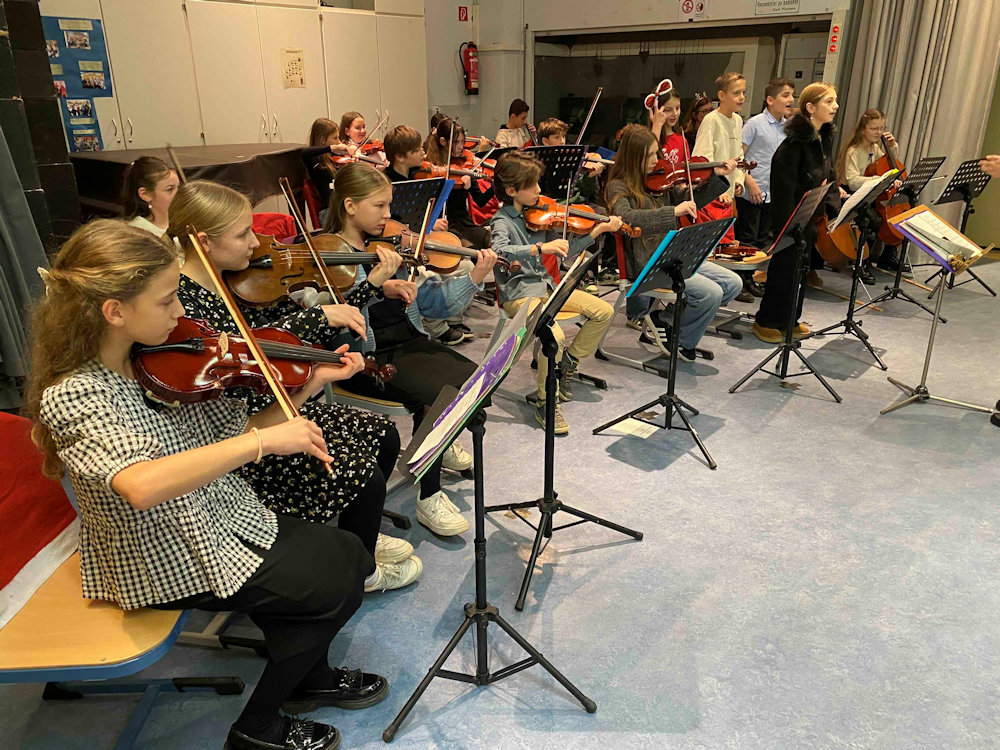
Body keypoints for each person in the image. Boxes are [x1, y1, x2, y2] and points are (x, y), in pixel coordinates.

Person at [27, 219, 384, 750]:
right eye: (167, 300)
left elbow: (239, 431)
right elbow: (141, 486)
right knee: (336, 581)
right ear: (114, 311)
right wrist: (263, 443)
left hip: (216, 514)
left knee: (344, 556)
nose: (181, 312)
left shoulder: (147, 361)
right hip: (159, 551)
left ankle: (308, 677)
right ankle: (257, 728)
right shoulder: (75, 393)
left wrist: (312, 381)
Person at [167, 180, 420, 592]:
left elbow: (286, 333)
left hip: (273, 405)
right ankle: (359, 571)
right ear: (203, 241)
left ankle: (359, 537)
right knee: (363, 474)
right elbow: (246, 351)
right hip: (240, 430)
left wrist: (336, 312)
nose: (256, 243)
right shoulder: (183, 303)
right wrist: (318, 317)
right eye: (243, 234)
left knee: (384, 435)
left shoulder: (233, 280)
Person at [325, 163, 498, 536]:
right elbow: (333, 323)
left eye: (389, 206)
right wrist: (375, 284)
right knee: (437, 396)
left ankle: (436, 441)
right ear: (350, 206)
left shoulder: (389, 248)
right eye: (380, 206)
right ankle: (429, 494)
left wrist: (474, 276)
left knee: (477, 381)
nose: (388, 215)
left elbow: (434, 306)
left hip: (408, 342)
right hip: (363, 360)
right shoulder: (326, 256)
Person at [491, 151, 621, 434]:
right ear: (512, 191)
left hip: (548, 288)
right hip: (520, 294)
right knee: (555, 336)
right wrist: (539, 248)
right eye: (532, 186)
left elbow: (565, 250)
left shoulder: (541, 214)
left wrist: (596, 231)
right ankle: (545, 403)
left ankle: (567, 364)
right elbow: (499, 250)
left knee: (604, 311)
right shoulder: (501, 221)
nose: (539, 190)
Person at [606, 124, 742, 362]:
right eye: (649, 155)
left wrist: (716, 176)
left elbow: (692, 201)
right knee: (710, 294)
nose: (655, 160)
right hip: (647, 262)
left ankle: (665, 319)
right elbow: (626, 218)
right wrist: (673, 212)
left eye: (656, 153)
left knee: (732, 284)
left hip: (673, 255)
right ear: (633, 157)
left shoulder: (659, 181)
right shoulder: (617, 186)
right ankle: (681, 342)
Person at [753, 82, 844, 343]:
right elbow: (783, 188)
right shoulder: (793, 145)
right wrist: (788, 227)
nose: (835, 106)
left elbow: (828, 174)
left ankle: (790, 320)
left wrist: (834, 209)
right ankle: (766, 321)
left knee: (801, 272)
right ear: (811, 107)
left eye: (835, 101)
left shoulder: (823, 138)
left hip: (810, 217)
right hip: (790, 219)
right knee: (783, 271)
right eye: (829, 101)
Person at [383, 123, 474, 347]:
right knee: (430, 275)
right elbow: (392, 227)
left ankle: (453, 320)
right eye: (416, 150)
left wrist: (432, 224)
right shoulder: (387, 185)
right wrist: (428, 229)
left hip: (420, 241)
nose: (423, 152)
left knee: (465, 266)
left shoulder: (417, 178)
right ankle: (437, 327)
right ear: (400, 157)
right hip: (401, 249)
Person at [835, 108, 904, 279]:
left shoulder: (875, 148)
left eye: (881, 128)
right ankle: (861, 262)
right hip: (852, 196)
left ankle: (887, 257)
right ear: (862, 129)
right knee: (874, 221)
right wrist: (878, 179)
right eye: (874, 128)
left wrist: (892, 147)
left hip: (870, 195)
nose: (878, 132)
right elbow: (853, 181)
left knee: (897, 215)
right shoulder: (853, 151)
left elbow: (888, 165)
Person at [738, 77, 795, 250]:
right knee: (747, 240)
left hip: (772, 194)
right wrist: (749, 181)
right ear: (770, 100)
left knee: (765, 241)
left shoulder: (787, 127)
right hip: (752, 191)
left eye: (792, 95)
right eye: (785, 95)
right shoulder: (754, 124)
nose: (791, 100)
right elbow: (738, 156)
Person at [693, 72, 747, 206]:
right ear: (722, 95)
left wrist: (739, 180)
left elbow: (739, 156)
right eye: (736, 93)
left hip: (729, 195)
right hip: (713, 197)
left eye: (743, 92)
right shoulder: (711, 120)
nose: (742, 97)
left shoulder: (738, 120)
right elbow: (702, 159)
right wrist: (717, 188)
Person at [120, 156, 179, 237]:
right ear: (145, 194)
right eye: (169, 189)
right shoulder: (137, 233)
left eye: (178, 187)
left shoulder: (181, 222)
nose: (178, 194)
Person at [302, 117, 352, 209]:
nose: (339, 142)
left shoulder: (334, 156)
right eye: (335, 138)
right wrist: (332, 148)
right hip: (328, 209)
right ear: (322, 140)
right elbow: (304, 152)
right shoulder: (314, 160)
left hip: (341, 205)